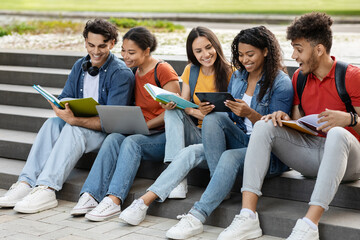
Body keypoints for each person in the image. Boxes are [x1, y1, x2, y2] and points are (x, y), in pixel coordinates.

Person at [120, 26, 294, 239]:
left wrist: (249, 113)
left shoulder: (280, 82)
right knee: (198, 139)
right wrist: (207, 111)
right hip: (238, 139)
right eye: (240, 55)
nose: (245, 60)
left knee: (227, 157)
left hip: (267, 150)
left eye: (250, 54)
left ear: (266, 51)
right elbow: (229, 120)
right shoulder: (239, 77)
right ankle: (144, 201)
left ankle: (196, 216)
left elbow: (277, 130)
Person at [218, 12, 360, 240]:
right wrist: (282, 118)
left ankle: (309, 224)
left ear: (319, 49)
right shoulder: (299, 78)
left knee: (337, 134)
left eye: (299, 49)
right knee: (265, 125)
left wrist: (349, 119)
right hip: (311, 156)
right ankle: (247, 216)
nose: (293, 56)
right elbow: (297, 123)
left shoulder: (351, 76)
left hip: (350, 162)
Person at [0, 19, 134, 214]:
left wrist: (74, 120)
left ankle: (47, 188)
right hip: (80, 126)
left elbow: (112, 122)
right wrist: (59, 107)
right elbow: (65, 98)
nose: (95, 51)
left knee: (73, 129)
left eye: (102, 46)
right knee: (52, 124)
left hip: (104, 133)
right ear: (85, 42)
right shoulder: (80, 65)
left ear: (112, 43)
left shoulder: (120, 73)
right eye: (91, 45)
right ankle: (26, 183)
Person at [118, 26, 232, 225]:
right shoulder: (191, 70)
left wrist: (209, 114)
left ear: (216, 46)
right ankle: (177, 181)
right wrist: (193, 110)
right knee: (172, 110)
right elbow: (185, 105)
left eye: (208, 48)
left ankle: (150, 197)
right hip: (197, 132)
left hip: (220, 137)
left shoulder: (231, 71)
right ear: (192, 53)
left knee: (190, 149)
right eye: (198, 51)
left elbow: (235, 114)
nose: (205, 54)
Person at [70, 26, 180, 221]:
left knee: (132, 143)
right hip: (142, 130)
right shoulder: (134, 71)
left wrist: (145, 126)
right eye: (123, 51)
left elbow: (174, 112)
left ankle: (114, 200)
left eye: (131, 52)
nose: (125, 56)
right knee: (113, 139)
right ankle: (91, 195)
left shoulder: (162, 70)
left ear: (147, 51)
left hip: (162, 135)